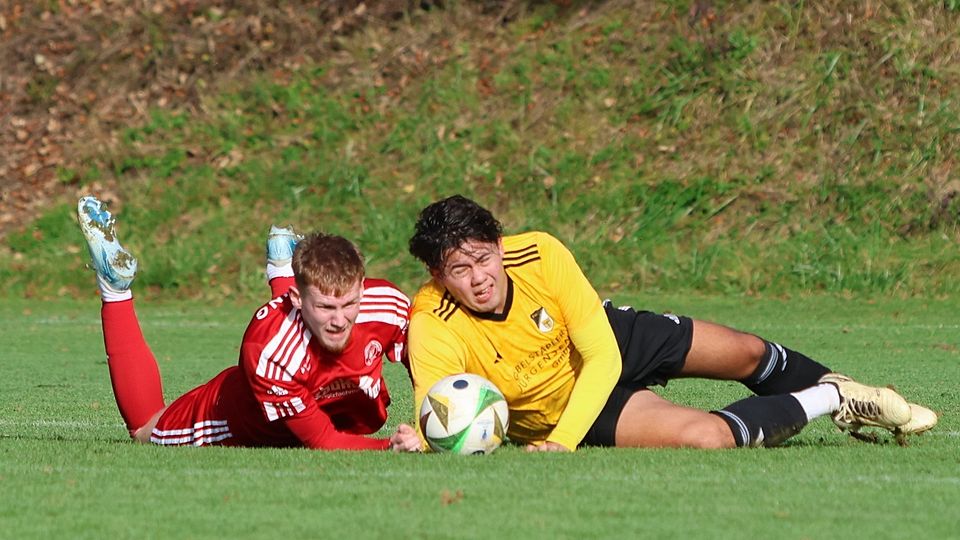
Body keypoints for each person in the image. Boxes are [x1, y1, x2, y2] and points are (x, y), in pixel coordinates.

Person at [406, 195, 938, 451]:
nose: (478, 277)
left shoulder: (540, 252)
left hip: (606, 343)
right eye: (459, 268)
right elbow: (439, 410)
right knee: (708, 437)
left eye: (483, 258)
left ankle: (852, 389)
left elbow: (603, 356)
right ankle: (833, 399)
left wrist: (563, 444)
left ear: (499, 247)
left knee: (746, 352)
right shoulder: (432, 321)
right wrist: (422, 441)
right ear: (437, 274)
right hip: (571, 408)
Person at [77, 195, 421, 451]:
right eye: (327, 307)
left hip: (329, 401)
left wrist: (435, 422)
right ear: (297, 299)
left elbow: (425, 361)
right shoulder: (270, 350)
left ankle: (283, 265)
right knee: (144, 429)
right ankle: (115, 289)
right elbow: (321, 439)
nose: (340, 320)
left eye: (349, 304)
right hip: (235, 417)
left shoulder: (387, 303)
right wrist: (391, 445)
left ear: (363, 288)